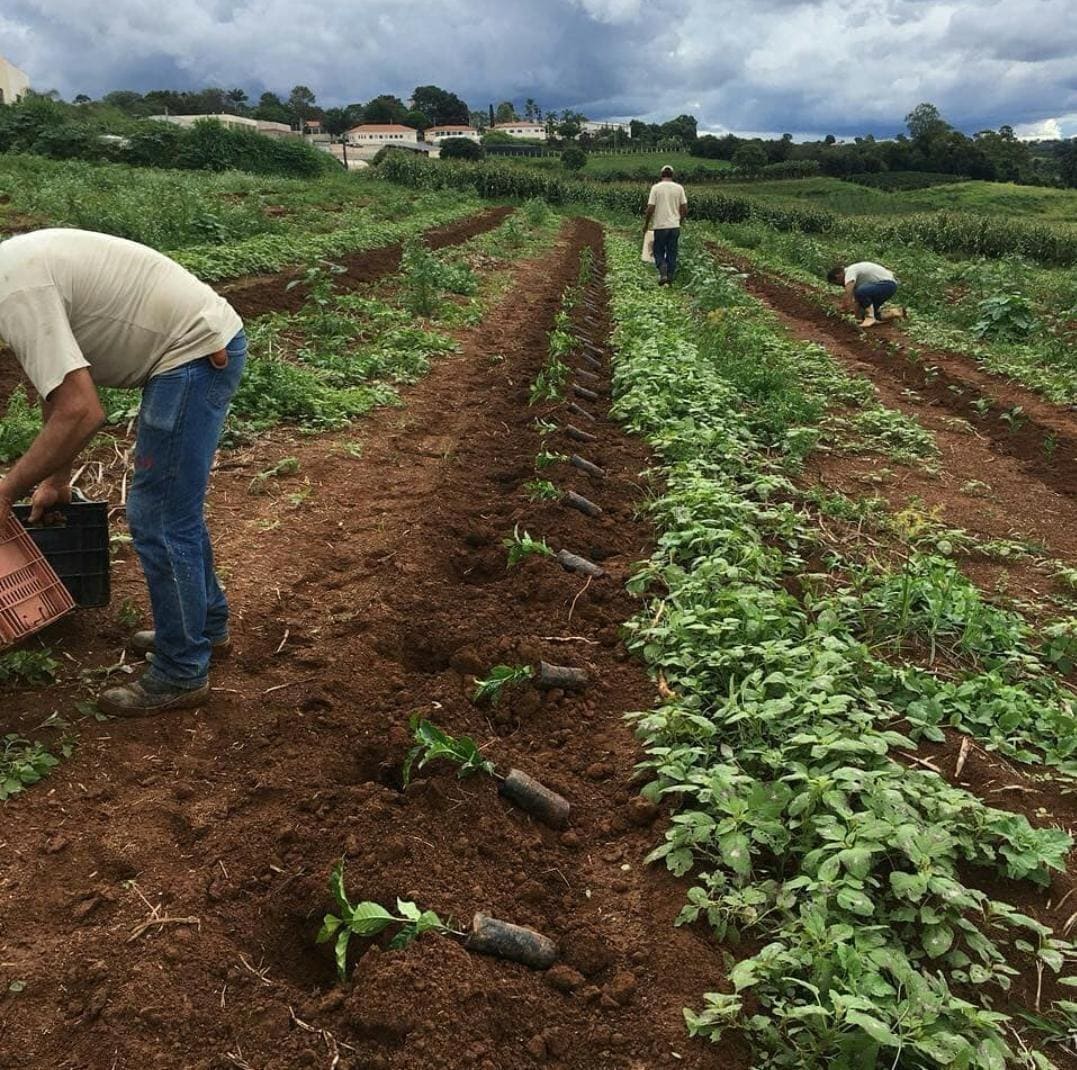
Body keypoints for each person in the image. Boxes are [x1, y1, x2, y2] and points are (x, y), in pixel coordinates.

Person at [0, 228, 246, 717]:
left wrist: (7, 491)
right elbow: (60, 395)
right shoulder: (12, 273)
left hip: (193, 353)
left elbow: (81, 411)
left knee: (159, 516)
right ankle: (204, 626)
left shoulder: (14, 293)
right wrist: (55, 479)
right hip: (197, 343)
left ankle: (181, 670)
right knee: (173, 510)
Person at [644, 165, 688, 285]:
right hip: (674, 226)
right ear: (672, 175)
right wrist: (680, 221)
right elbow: (685, 208)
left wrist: (646, 224)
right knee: (672, 252)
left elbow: (650, 208)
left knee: (658, 250)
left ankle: (663, 272)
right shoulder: (679, 188)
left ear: (661, 174)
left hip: (660, 226)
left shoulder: (656, 188)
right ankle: (670, 278)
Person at [827, 261, 899, 328]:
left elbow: (848, 293)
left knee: (860, 292)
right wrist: (857, 318)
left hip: (887, 284)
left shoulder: (850, 271)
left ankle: (870, 318)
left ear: (838, 276)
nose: (840, 285)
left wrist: (844, 307)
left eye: (837, 283)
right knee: (864, 313)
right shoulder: (856, 280)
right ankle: (893, 313)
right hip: (885, 288)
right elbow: (857, 301)